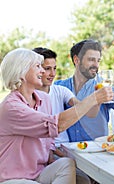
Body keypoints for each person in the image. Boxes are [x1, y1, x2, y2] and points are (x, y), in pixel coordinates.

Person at [0, 48, 113, 183]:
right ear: (22, 71)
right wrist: (93, 99)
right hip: (14, 178)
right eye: (38, 66)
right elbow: (56, 125)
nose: (42, 71)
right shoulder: (12, 107)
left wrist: (51, 150)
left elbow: (48, 136)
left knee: (66, 164)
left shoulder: (43, 98)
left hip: (37, 171)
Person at [55, 39, 114, 141]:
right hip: (68, 151)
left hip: (96, 149)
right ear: (76, 60)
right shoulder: (59, 87)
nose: (96, 65)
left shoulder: (102, 86)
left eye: (98, 61)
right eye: (91, 60)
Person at [33, 47, 96, 184]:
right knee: (84, 180)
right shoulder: (29, 97)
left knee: (97, 173)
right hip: (47, 152)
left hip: (68, 149)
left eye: (54, 68)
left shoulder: (60, 91)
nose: (52, 74)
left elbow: (79, 107)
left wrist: (95, 99)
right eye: (47, 68)